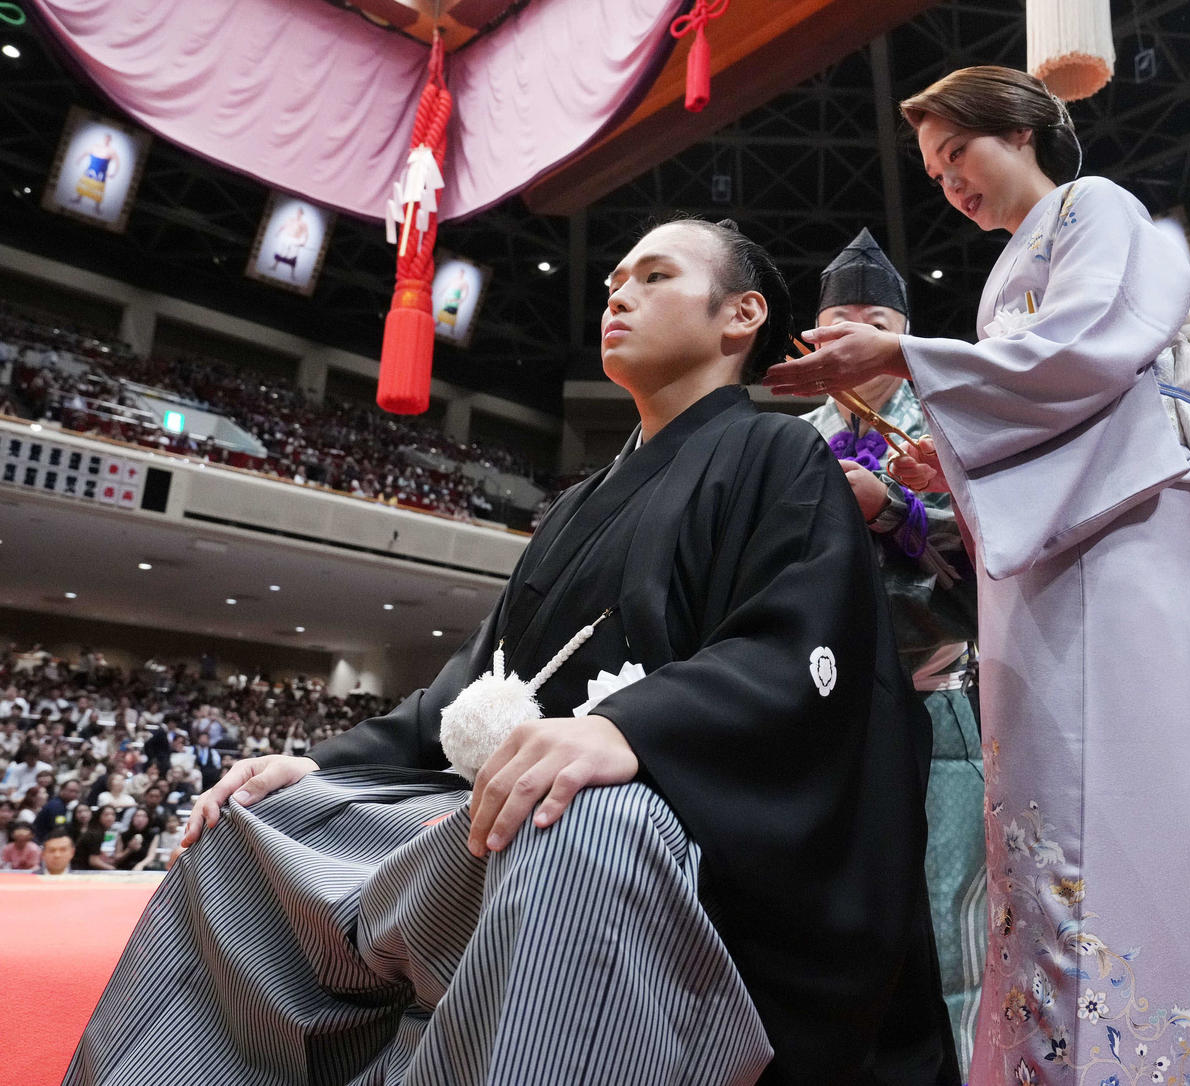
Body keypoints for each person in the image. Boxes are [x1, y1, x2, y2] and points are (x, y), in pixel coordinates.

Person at [66, 218, 951, 1086]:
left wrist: (633, 729)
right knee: (253, 821)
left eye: (654, 277)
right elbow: (478, 680)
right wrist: (320, 763)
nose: (617, 298)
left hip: (675, 831)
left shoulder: (782, 455)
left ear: (741, 316)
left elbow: (798, 647)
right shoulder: (577, 504)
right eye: (613, 283)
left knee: (580, 825)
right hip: (506, 809)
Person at [763, 65, 1190, 1082]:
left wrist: (907, 362)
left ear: (1017, 131)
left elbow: (1087, 349)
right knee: (1041, 813)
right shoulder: (1005, 268)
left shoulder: (1093, 208)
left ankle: (1125, 1059)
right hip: (1042, 551)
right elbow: (1029, 402)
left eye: (956, 154)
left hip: (1116, 525)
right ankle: (1044, 1058)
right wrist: (952, 465)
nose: (949, 184)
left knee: (1114, 797)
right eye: (934, 174)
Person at [799, 228, 984, 1069]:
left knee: (948, 919)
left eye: (875, 323)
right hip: (824, 717)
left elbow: (998, 550)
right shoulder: (794, 439)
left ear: (905, 337)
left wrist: (895, 509)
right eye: (837, 322)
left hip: (935, 698)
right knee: (831, 919)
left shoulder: (953, 423)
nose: (853, 337)